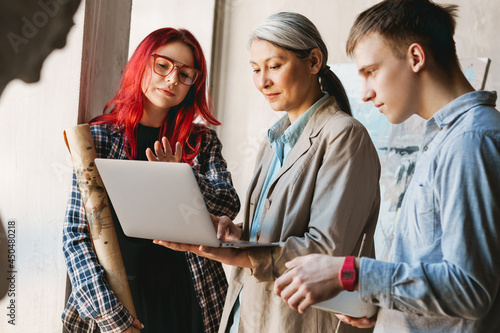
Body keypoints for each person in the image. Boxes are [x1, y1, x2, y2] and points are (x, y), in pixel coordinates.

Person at [274, 1, 500, 332]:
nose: (364, 93)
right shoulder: (445, 138)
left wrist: (350, 272)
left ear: (416, 58)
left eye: (370, 72)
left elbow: (470, 289)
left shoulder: (471, 140)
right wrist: (384, 310)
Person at [154, 12, 381, 333]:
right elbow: (275, 231)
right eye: (256, 70)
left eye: (274, 66)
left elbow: (326, 252)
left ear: (314, 61)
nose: (263, 81)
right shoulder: (273, 139)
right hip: (245, 312)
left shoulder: (344, 135)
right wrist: (236, 235)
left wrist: (233, 256)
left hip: (296, 321)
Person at [61, 28, 240, 333]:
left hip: (189, 296)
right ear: (142, 63)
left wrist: (179, 178)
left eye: (185, 74)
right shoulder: (99, 139)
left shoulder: (201, 141)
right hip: (119, 297)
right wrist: (111, 317)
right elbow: (76, 235)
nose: (172, 79)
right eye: (163, 66)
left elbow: (227, 203)